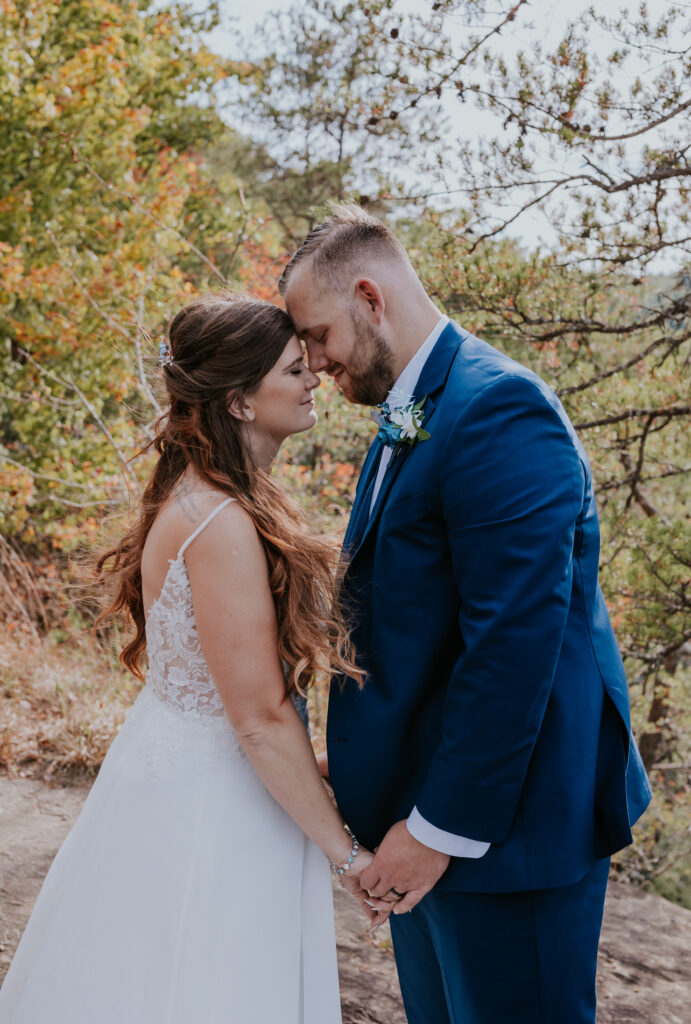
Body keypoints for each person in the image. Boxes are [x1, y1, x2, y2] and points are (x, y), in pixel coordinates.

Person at [279, 204, 653, 1024]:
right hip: (424, 819)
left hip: (504, 834)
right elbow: (408, 621)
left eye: (315, 335)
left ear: (370, 299)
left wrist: (436, 830)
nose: (310, 363)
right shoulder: (407, 413)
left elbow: (513, 644)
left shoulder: (498, 409)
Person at [0, 295, 386, 1024]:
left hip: (189, 771)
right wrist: (348, 858)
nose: (312, 379)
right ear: (240, 401)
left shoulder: (212, 499)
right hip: (213, 806)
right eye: (291, 370)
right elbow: (260, 718)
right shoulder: (219, 522)